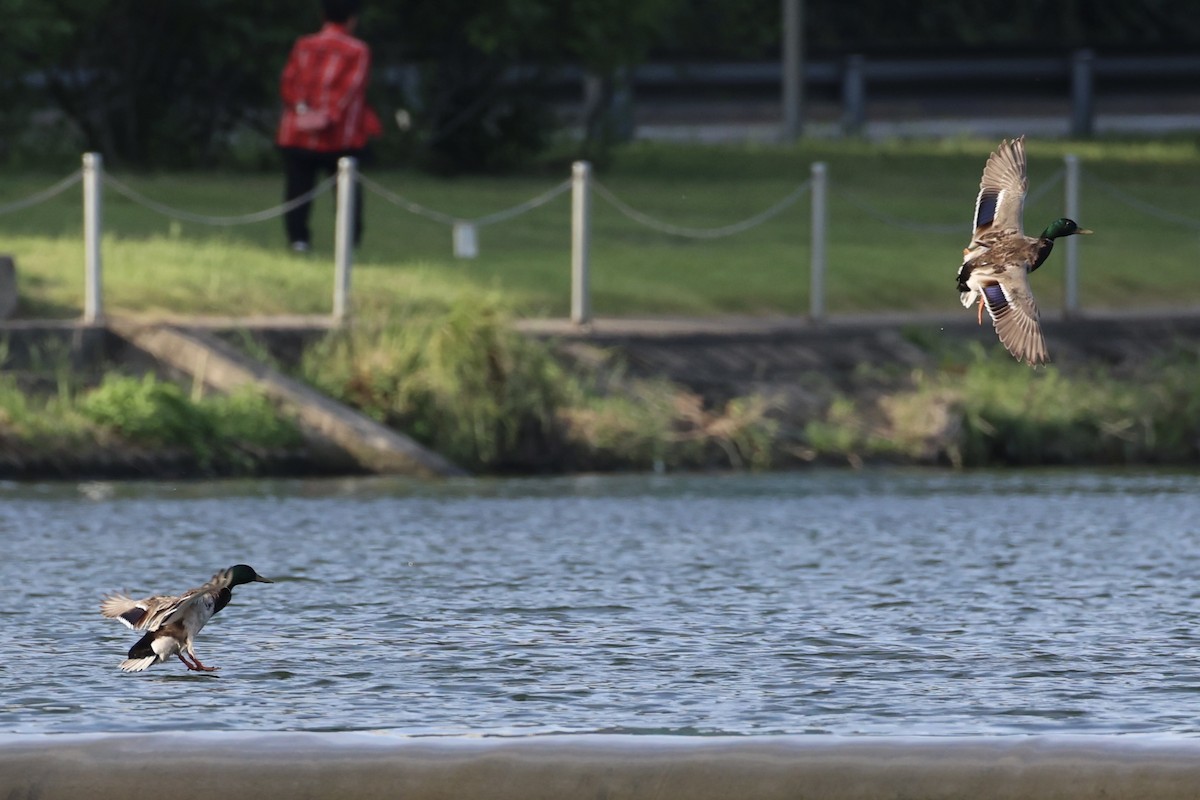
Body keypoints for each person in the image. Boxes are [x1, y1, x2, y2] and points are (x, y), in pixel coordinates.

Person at [276, 0, 382, 253]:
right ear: (352, 19)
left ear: (323, 15)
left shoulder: (304, 45)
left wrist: (304, 112)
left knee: (298, 191)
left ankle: (298, 240)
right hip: (340, 137)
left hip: (298, 134)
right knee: (346, 194)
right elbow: (350, 88)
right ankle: (347, 244)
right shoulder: (358, 50)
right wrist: (327, 117)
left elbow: (289, 82)